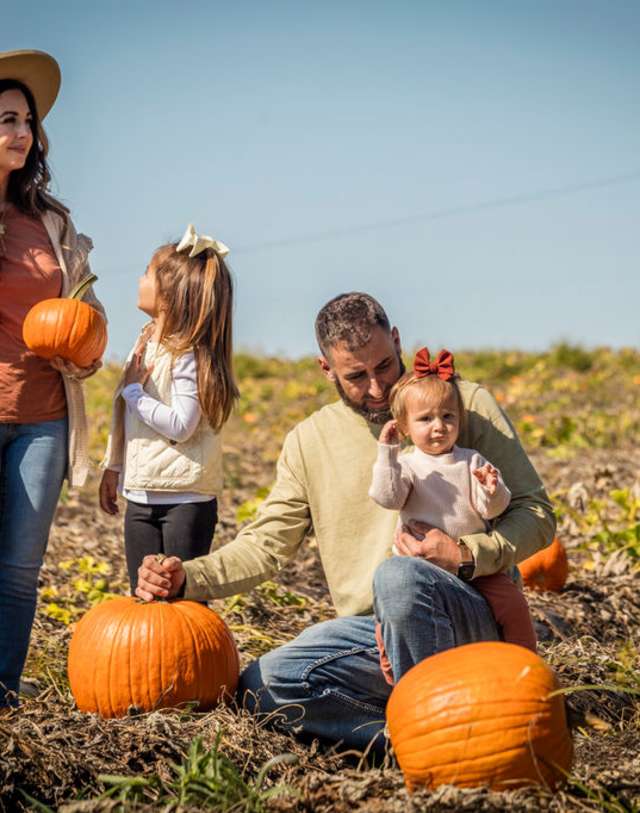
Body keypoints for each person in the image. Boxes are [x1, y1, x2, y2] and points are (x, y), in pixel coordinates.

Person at [135, 292, 555, 758]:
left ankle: (443, 728)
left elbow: (536, 514)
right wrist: (187, 576)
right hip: (372, 635)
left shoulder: (459, 406)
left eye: (385, 366)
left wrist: (468, 554)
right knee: (262, 687)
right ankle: (418, 742)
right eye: (356, 376)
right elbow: (265, 545)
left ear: (396, 342)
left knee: (398, 577)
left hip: (467, 610)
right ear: (326, 370)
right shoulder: (309, 441)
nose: (377, 389)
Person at [0, 50, 105, 707]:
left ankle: (3, 695)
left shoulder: (54, 223)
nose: (20, 131)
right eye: (6, 119)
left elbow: (85, 308)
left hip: (44, 415)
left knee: (17, 572)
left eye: (25, 121)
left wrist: (86, 351)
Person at [368, 346, 537, 686]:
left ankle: (527, 669)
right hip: (420, 570)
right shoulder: (409, 466)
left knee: (513, 604)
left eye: (448, 417)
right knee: (390, 606)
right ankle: (392, 668)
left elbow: (492, 510)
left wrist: (492, 489)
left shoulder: (470, 460)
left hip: (475, 571)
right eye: (425, 419)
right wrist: (387, 454)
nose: (439, 427)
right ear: (404, 426)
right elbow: (387, 497)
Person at [99, 224, 238, 592]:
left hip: (185, 501)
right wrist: (115, 466)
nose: (140, 278)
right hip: (142, 494)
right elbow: (125, 416)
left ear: (168, 294)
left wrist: (134, 392)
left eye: (147, 272)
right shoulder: (144, 342)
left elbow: (181, 425)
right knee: (143, 596)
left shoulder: (187, 354)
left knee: (183, 603)